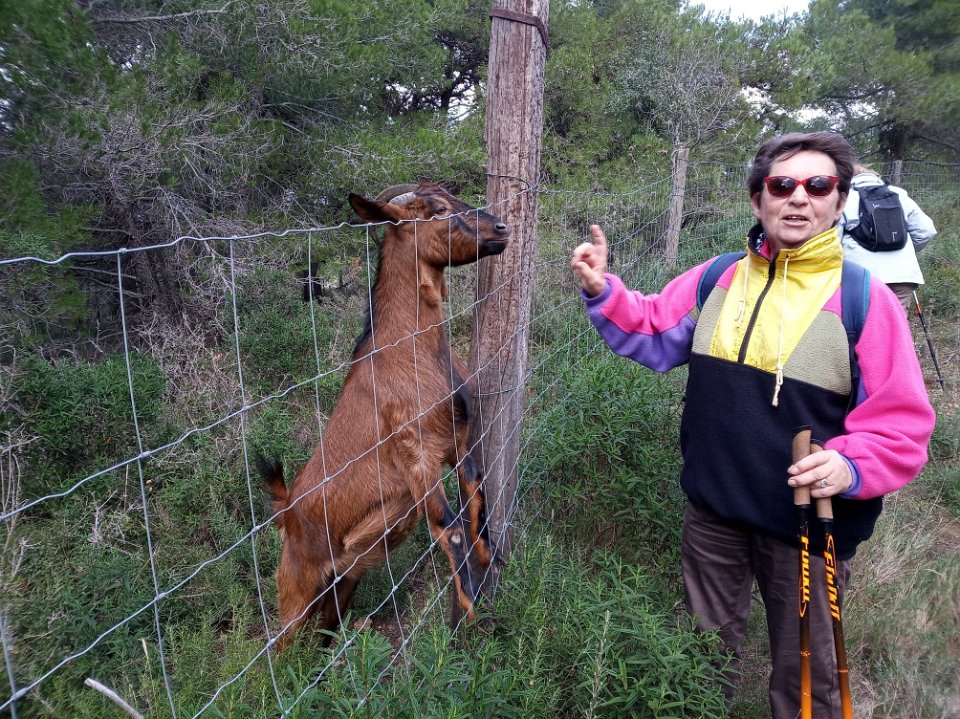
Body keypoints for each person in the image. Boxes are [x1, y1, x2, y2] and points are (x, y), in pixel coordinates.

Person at [570, 132, 935, 717]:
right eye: (781, 184)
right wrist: (602, 290)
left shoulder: (865, 300)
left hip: (809, 524)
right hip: (714, 508)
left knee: (807, 676)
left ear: (839, 202)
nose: (799, 198)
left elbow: (901, 423)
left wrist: (850, 465)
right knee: (700, 657)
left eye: (819, 185)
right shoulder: (718, 277)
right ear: (757, 199)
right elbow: (654, 330)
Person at [840, 164, 937, 310]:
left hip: (861, 277)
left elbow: (832, 239)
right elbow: (926, 231)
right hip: (902, 276)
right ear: (875, 176)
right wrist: (905, 249)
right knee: (896, 321)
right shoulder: (899, 194)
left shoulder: (846, 199)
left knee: (864, 321)